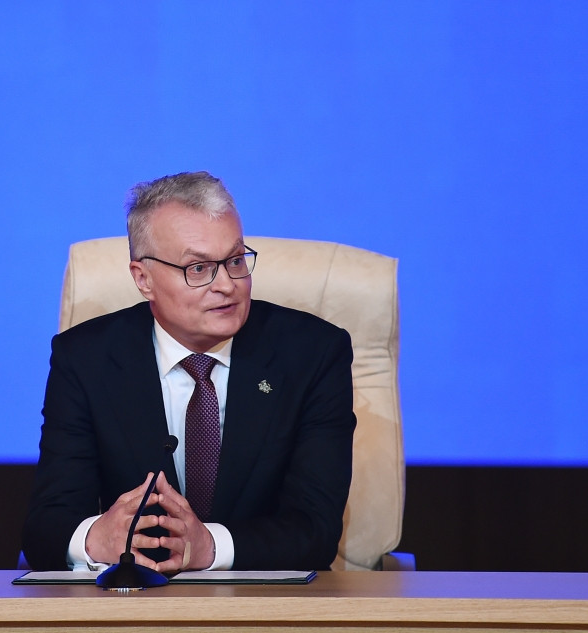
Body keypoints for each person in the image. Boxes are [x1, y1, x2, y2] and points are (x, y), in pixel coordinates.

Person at [21, 171, 356, 573]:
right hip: (133, 602)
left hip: (265, 601)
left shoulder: (313, 355)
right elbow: (47, 527)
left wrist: (209, 546)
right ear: (143, 279)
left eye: (235, 261)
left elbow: (315, 530)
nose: (227, 285)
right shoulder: (86, 359)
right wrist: (95, 538)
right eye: (198, 268)